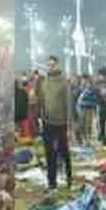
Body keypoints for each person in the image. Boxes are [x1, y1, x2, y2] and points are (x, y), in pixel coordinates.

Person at [36, 56, 73, 190]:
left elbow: (68, 105)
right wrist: (40, 117)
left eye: (53, 65)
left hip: (61, 122)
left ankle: (69, 177)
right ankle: (52, 181)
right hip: (47, 122)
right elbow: (41, 101)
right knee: (49, 152)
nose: (51, 67)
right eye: (49, 65)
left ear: (58, 65)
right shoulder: (44, 82)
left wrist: (69, 126)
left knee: (64, 151)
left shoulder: (64, 82)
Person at [76, 75, 100, 147]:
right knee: (82, 125)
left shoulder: (93, 90)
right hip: (82, 109)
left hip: (90, 109)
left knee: (88, 125)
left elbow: (95, 100)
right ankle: (83, 140)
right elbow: (78, 100)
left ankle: (88, 140)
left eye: (89, 82)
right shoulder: (81, 89)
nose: (88, 84)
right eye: (86, 82)